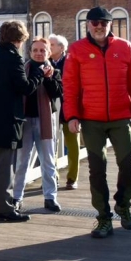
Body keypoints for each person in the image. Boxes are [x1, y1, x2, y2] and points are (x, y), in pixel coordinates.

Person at [63, 6, 131, 239]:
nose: (99, 26)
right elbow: (70, 86)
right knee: (97, 169)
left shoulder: (124, 47)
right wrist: (72, 115)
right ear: (87, 25)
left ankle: (123, 204)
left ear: (110, 25)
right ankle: (103, 217)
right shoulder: (77, 50)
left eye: (103, 23)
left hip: (121, 117)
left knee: (128, 163)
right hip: (91, 119)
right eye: (94, 22)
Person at [0, 20, 46, 222]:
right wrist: (39, 73)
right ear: (20, 40)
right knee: (4, 163)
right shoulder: (13, 60)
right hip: (8, 118)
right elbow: (25, 88)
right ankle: (4, 208)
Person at [12, 37, 63, 212]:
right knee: (21, 162)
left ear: (48, 52)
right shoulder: (23, 70)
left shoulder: (54, 72)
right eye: (35, 50)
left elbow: (57, 94)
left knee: (47, 160)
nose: (39, 53)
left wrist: (48, 78)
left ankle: (50, 197)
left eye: (43, 50)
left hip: (45, 121)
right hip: (25, 120)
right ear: (30, 52)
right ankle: (17, 197)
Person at [49, 35, 78, 189]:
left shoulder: (71, 61)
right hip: (51, 106)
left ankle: (72, 178)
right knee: (51, 143)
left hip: (69, 105)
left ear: (61, 47)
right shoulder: (45, 62)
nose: (49, 47)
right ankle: (53, 176)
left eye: (52, 44)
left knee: (72, 143)